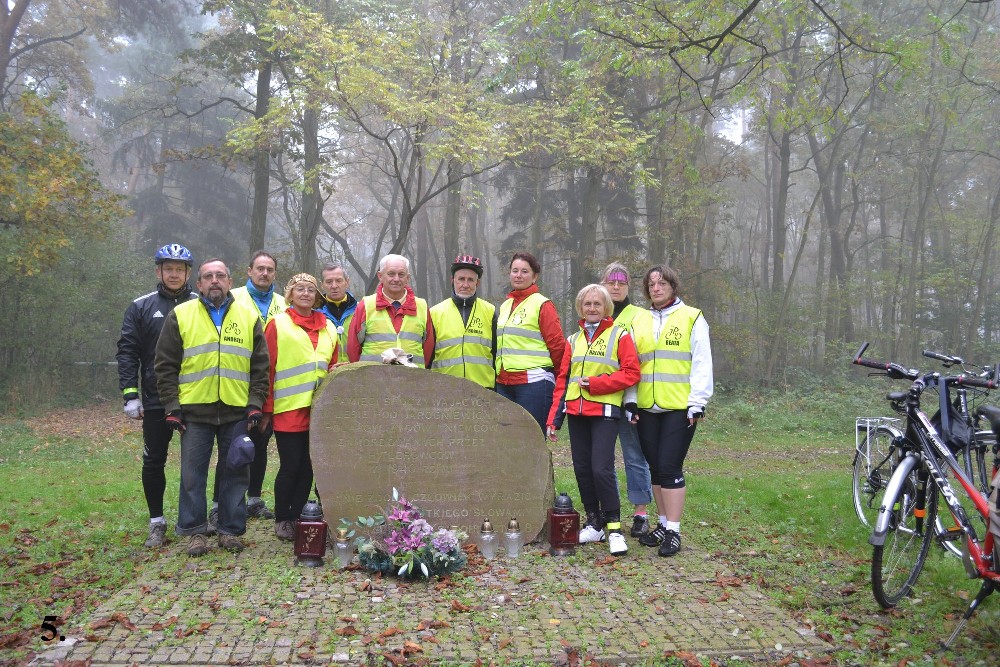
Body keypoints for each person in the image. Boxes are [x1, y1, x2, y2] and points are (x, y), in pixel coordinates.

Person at [155, 258, 269, 556]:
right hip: (194, 411)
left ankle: (229, 530)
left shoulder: (248, 317)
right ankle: (195, 531)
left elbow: (260, 367)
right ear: (199, 283)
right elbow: (165, 366)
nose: (214, 280)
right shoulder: (181, 315)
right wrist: (172, 406)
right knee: (193, 475)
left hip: (236, 410)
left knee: (236, 473)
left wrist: (255, 403)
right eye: (208, 276)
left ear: (230, 281)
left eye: (220, 275)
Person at [546, 284, 640, 556]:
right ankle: (594, 523)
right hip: (576, 413)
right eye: (587, 304)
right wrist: (554, 419)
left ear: (606, 307)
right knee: (583, 469)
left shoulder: (620, 335)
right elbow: (563, 380)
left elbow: (632, 372)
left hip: (605, 412)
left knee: (601, 469)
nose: (592, 308)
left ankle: (614, 529)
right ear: (580, 307)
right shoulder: (572, 340)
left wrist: (598, 384)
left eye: (597, 303)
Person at [116, 243, 198, 548]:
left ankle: (194, 520)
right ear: (158, 272)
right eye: (168, 269)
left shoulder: (201, 304)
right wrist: (130, 395)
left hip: (194, 397)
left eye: (179, 269)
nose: (174, 274)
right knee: (154, 460)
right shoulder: (140, 307)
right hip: (155, 399)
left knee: (194, 462)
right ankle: (157, 522)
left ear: (188, 273)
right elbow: (127, 352)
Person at [630, 265, 713, 558]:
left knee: (669, 466)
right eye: (651, 284)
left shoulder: (692, 317)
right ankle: (663, 525)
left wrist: (697, 402)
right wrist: (631, 401)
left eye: (662, 283)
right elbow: (631, 364)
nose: (656, 288)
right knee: (655, 467)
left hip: (680, 407)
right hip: (646, 406)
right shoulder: (639, 319)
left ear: (673, 286)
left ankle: (674, 531)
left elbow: (701, 361)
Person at [261, 274, 339, 541]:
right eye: (299, 289)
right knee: (291, 465)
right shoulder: (277, 324)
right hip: (288, 409)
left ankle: (298, 516)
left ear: (317, 296)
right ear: (290, 295)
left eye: (310, 290)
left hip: (319, 412)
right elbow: (267, 368)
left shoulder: (329, 327)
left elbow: (333, 365)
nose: (305, 293)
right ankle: (282, 518)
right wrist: (266, 408)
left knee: (308, 467)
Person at [221, 250, 286, 522]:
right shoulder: (233, 297)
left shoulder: (284, 302)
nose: (264, 273)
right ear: (249, 271)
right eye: (260, 268)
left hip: (271, 382)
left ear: (275, 273)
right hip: (238, 380)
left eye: (269, 269)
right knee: (235, 443)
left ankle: (254, 499)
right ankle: (223, 502)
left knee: (261, 440)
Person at [601, 262, 655, 537]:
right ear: (603, 284)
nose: (616, 287)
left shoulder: (640, 316)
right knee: (602, 459)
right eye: (611, 282)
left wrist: (631, 398)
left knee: (634, 456)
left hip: (629, 399)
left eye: (621, 283)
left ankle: (640, 513)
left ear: (628, 286)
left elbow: (638, 362)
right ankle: (606, 512)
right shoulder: (595, 313)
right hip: (600, 398)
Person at [495, 251, 565, 431]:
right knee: (507, 440)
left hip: (534, 383)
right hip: (504, 384)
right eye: (515, 270)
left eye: (524, 271)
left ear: (534, 276)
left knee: (532, 439)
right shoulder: (505, 305)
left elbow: (557, 346)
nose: (518, 275)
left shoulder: (543, 304)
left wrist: (561, 379)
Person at [346, 254, 435, 367]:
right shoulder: (366, 305)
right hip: (374, 377)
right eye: (391, 274)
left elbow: (428, 348)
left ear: (407, 278)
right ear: (380, 276)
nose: (396, 279)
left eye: (401, 274)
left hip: (413, 377)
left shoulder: (422, 306)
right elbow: (353, 348)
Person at [430, 254, 498, 389]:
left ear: (477, 283)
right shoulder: (435, 312)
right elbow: (428, 357)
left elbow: (498, 354)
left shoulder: (490, 312)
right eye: (461, 279)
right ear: (452, 280)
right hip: (445, 389)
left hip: (484, 390)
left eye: (470, 280)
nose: (465, 285)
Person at [318, 263, 357, 352]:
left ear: (347, 282)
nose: (334, 286)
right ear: (322, 285)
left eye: (339, 281)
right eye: (329, 282)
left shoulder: (360, 309)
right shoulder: (313, 312)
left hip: (355, 361)